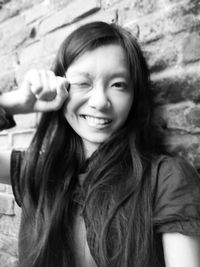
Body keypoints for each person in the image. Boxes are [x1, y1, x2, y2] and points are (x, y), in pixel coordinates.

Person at [0, 21, 200, 267]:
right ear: (60, 87)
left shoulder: (166, 179)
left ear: (134, 97)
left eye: (118, 85)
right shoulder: (38, 169)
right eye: (83, 83)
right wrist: (15, 102)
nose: (99, 101)